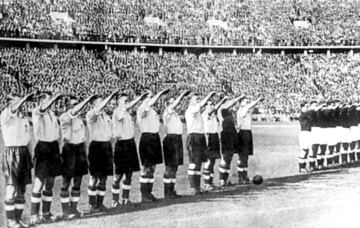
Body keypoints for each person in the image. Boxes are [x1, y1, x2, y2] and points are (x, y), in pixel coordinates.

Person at [59, 95, 96, 219]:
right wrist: (87, 100)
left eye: (77, 104)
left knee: (78, 181)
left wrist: (85, 155)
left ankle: (74, 208)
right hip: (69, 150)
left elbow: (83, 138)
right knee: (66, 182)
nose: (76, 107)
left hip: (79, 150)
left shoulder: (79, 119)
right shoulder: (64, 117)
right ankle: (65, 211)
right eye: (73, 104)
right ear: (67, 106)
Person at [1, 92, 34, 228]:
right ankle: (10, 221)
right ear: (10, 103)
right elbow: (14, 108)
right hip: (12, 153)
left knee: (22, 189)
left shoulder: (23, 117)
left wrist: (30, 154)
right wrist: (25, 98)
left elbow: (28, 139)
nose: (21, 103)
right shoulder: (6, 114)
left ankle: (18, 219)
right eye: (17, 101)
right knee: (12, 187)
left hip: (24, 152)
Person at [30, 92, 63, 225]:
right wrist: (55, 97)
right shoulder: (37, 111)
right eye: (49, 100)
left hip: (53, 148)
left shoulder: (52, 114)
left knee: (50, 182)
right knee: (39, 182)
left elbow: (57, 133)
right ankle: (34, 215)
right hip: (43, 147)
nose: (52, 102)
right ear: (42, 101)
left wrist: (58, 149)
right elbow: (43, 108)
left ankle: (46, 213)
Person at [111, 92, 148, 207]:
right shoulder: (117, 112)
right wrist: (139, 98)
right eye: (124, 100)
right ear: (118, 101)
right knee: (118, 175)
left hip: (130, 143)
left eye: (127, 100)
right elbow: (126, 108)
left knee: (129, 173)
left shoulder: (126, 113)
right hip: (122, 145)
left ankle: (125, 199)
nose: (126, 102)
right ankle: (114, 201)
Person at [86, 91, 119, 212]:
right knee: (94, 177)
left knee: (104, 178)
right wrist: (110, 96)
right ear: (93, 104)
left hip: (106, 147)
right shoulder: (91, 114)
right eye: (100, 101)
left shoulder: (105, 116)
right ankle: (91, 204)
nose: (103, 104)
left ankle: (100, 204)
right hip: (96, 147)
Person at [137, 89, 170, 203]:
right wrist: (159, 93)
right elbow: (149, 103)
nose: (150, 99)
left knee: (152, 168)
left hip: (154, 138)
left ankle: (149, 193)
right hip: (147, 138)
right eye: (148, 97)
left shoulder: (152, 110)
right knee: (146, 168)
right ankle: (144, 195)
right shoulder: (141, 109)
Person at [185, 91, 216, 194]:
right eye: (196, 99)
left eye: (198, 99)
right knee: (193, 163)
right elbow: (201, 105)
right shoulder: (191, 110)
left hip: (200, 137)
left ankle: (197, 187)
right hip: (194, 137)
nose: (198, 101)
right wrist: (209, 95)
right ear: (190, 101)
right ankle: (193, 187)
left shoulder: (197, 111)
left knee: (198, 163)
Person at [162, 90, 191, 198]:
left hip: (177, 139)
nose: (175, 104)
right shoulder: (167, 112)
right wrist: (182, 95)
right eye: (172, 102)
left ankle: (171, 190)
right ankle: (167, 192)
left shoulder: (175, 114)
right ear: (167, 104)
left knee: (175, 166)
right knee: (170, 166)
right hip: (171, 139)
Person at [217, 95, 245, 186]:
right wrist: (239, 97)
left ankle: (226, 179)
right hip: (226, 135)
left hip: (232, 135)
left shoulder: (228, 111)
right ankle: (221, 179)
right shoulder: (221, 109)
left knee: (229, 157)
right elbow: (231, 104)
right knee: (225, 157)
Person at [202, 96, 228, 190]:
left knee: (212, 161)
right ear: (205, 107)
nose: (212, 106)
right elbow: (213, 110)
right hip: (208, 137)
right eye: (209, 105)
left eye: (212, 104)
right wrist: (221, 101)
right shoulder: (205, 114)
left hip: (214, 137)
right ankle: (206, 184)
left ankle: (210, 182)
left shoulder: (213, 115)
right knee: (208, 161)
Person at [236, 97, 264, 184]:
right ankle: (241, 176)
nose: (247, 102)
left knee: (246, 156)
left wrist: (257, 102)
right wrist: (258, 100)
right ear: (240, 103)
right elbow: (249, 107)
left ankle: (244, 176)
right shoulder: (241, 110)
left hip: (247, 133)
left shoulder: (246, 109)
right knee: (242, 156)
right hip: (243, 133)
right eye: (245, 101)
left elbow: (251, 107)